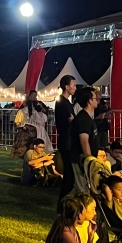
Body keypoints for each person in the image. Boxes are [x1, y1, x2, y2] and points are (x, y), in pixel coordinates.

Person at [54, 75, 79, 208]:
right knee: (69, 174)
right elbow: (70, 120)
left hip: (67, 140)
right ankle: (63, 204)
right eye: (73, 85)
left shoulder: (66, 102)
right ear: (66, 86)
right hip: (66, 141)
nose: (75, 87)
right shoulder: (62, 102)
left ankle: (65, 203)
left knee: (70, 175)